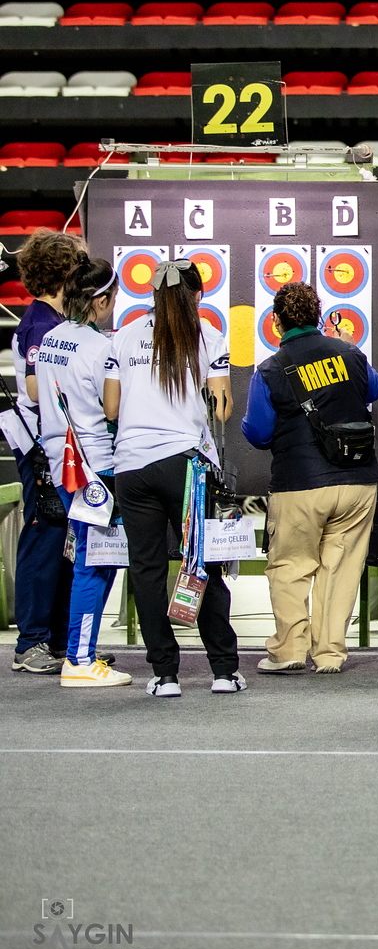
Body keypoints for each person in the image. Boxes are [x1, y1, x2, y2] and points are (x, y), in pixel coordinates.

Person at [103, 259, 241, 698]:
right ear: (197, 296)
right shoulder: (209, 337)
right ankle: (222, 671)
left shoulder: (121, 337)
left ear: (155, 296)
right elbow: (221, 409)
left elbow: (110, 409)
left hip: (130, 465)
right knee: (201, 563)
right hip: (185, 464)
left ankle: (164, 675)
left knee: (145, 569)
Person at [242, 281, 378, 675]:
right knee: (338, 571)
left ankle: (289, 651)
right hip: (357, 481)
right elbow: (375, 388)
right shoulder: (351, 353)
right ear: (319, 317)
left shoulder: (270, 370)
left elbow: (257, 433)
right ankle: (329, 655)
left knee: (290, 566)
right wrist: (346, 346)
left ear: (276, 323)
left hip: (299, 484)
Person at [34, 257, 131, 687]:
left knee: (90, 560)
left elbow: (40, 396)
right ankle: (80, 658)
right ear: (103, 299)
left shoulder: (51, 338)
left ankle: (80, 651)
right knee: (96, 563)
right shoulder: (103, 348)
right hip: (96, 467)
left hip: (63, 463)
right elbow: (112, 410)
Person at [7, 230, 76, 674]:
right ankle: (30, 641)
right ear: (65, 273)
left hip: (58, 444)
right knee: (43, 534)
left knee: (62, 542)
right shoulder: (40, 325)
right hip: (40, 446)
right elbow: (35, 386)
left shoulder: (56, 323)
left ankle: (52, 637)